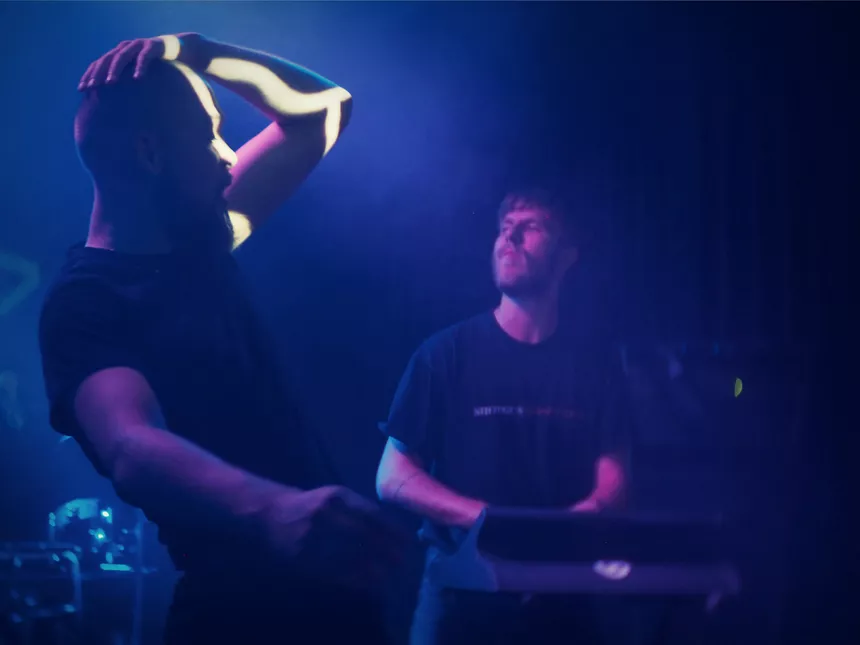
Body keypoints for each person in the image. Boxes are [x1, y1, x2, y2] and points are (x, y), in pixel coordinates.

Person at [39, 33, 406, 644]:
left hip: (334, 601)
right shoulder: (85, 302)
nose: (229, 156)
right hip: (237, 616)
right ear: (151, 154)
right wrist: (273, 507)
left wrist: (196, 50)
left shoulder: (202, 239)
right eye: (209, 135)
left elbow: (324, 109)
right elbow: (130, 443)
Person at [376, 186, 633, 644]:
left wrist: (578, 521)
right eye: (504, 227)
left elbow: (614, 484)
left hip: (563, 593)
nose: (509, 238)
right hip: (460, 591)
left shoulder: (597, 366)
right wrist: (488, 520)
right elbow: (392, 477)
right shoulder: (445, 354)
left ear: (567, 256)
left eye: (530, 227)